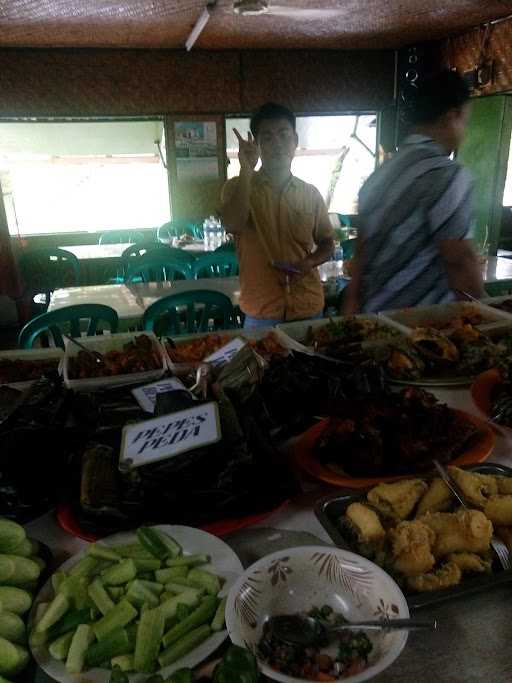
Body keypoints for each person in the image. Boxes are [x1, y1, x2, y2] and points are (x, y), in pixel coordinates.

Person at [344, 70, 484, 314]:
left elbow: (362, 254)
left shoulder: (379, 176)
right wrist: (489, 315)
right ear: (453, 116)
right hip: (423, 326)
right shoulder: (447, 175)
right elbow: (459, 263)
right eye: (465, 122)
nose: (464, 131)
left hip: (375, 320)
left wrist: (352, 308)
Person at [219, 102, 335, 328]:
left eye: (284, 135)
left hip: (308, 306)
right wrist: (246, 170)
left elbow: (327, 242)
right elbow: (232, 224)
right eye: (268, 138)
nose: (277, 144)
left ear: (295, 141)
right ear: (258, 144)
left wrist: (309, 262)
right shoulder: (236, 188)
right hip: (261, 311)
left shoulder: (310, 193)